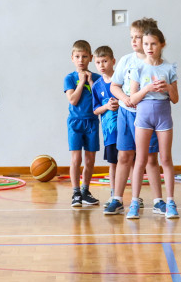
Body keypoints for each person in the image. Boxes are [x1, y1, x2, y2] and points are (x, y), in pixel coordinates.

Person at [106, 19, 165, 216]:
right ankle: (117, 198)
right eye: (131, 37)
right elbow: (114, 85)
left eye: (138, 37)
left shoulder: (157, 65)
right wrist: (125, 98)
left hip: (148, 116)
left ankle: (158, 201)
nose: (134, 41)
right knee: (124, 156)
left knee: (150, 158)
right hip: (126, 114)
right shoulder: (126, 61)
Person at [125, 27, 179, 220]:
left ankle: (170, 202)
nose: (149, 47)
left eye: (153, 43)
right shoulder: (138, 68)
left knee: (165, 159)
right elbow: (132, 98)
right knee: (140, 160)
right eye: (146, 43)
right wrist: (147, 88)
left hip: (163, 115)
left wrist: (167, 88)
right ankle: (134, 202)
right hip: (144, 116)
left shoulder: (169, 68)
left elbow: (175, 99)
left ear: (161, 45)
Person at [64, 40, 101, 208]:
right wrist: (81, 82)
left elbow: (101, 99)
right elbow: (72, 100)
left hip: (92, 122)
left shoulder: (97, 77)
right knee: (76, 159)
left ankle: (86, 191)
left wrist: (91, 82)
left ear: (90, 58)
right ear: (72, 58)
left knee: (90, 159)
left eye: (85, 56)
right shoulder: (70, 78)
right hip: (75, 123)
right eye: (77, 56)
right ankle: (76, 192)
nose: (81, 60)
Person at [91, 46, 119, 201]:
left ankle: (136, 195)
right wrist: (107, 107)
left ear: (113, 61)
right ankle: (113, 193)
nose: (101, 65)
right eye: (98, 62)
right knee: (113, 163)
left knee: (131, 163)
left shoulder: (121, 81)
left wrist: (120, 103)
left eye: (105, 61)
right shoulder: (97, 86)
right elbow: (95, 110)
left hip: (126, 130)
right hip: (110, 134)